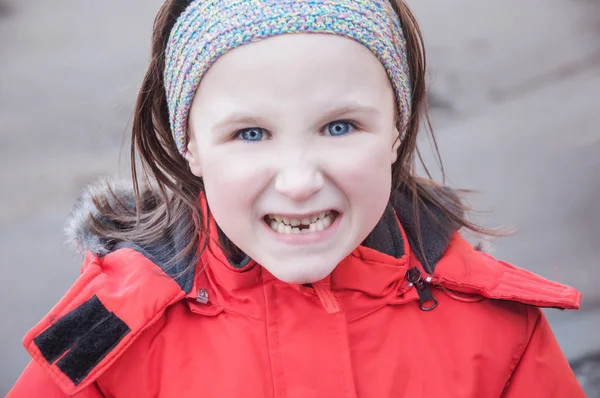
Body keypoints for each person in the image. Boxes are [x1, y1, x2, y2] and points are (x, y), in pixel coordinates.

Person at [8, 0, 585, 396]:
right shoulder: (112, 338)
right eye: (251, 134)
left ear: (395, 130)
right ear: (191, 148)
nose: (299, 180)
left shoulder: (498, 331)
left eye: (338, 126)